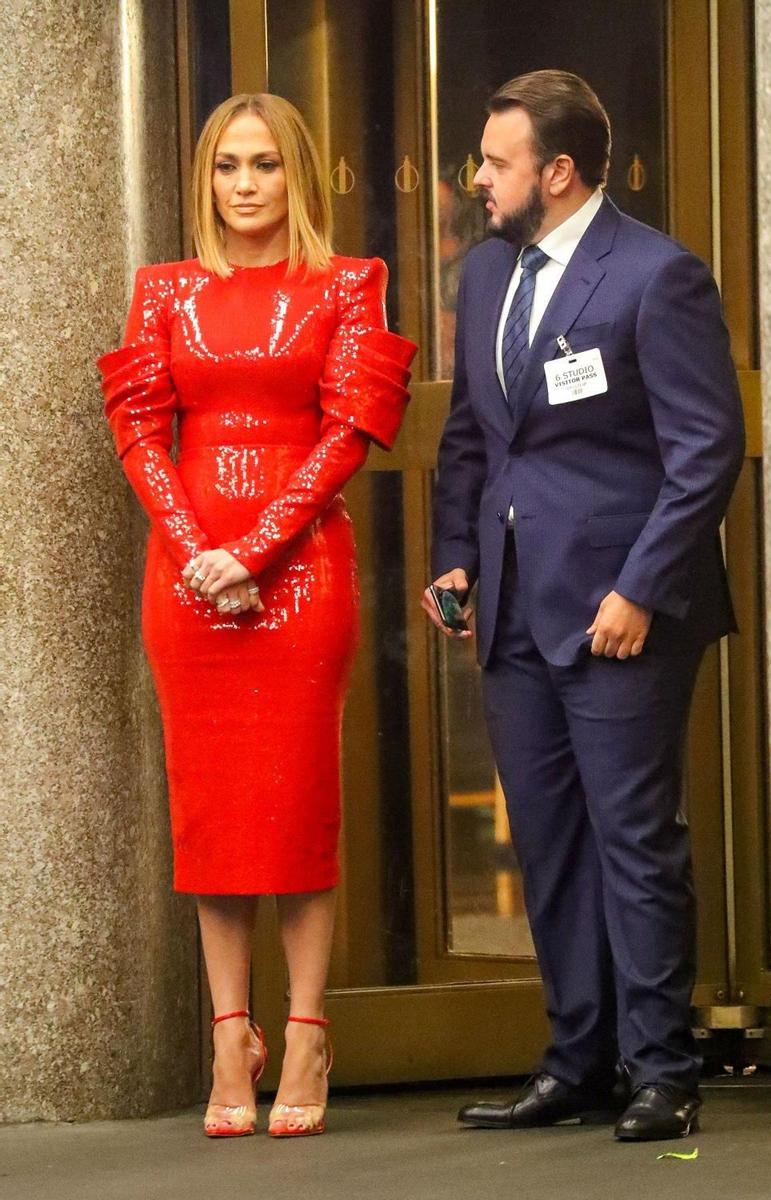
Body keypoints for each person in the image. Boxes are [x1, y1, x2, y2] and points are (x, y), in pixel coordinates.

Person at [423, 69, 744, 1141]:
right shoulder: (483, 277)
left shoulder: (655, 276)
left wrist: (639, 588)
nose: (476, 178)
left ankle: (660, 1069)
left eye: (494, 161)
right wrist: (454, 557)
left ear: (556, 173)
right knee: (550, 845)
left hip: (621, 613)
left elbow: (702, 454)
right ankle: (577, 1061)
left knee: (632, 841)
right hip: (513, 610)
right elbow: (472, 433)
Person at [98, 93, 415, 1139]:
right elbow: (141, 431)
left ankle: (308, 1028)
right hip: (189, 579)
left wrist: (255, 547)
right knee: (213, 810)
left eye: (266, 165)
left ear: (300, 177)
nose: (245, 185)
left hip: (302, 572)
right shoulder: (162, 293)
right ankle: (230, 1035)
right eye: (228, 166)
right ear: (205, 180)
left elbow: (346, 431)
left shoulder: (349, 285)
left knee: (294, 801)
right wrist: (200, 551)